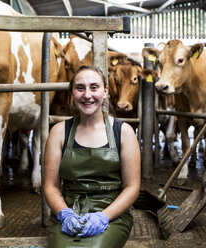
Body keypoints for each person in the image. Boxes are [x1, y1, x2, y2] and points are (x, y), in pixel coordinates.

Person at [44, 65, 141, 248]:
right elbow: (50, 186)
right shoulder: (58, 132)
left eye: (94, 88)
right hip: (68, 213)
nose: (87, 95)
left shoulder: (123, 132)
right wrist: (65, 214)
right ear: (72, 93)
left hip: (112, 215)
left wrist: (103, 217)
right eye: (80, 88)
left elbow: (132, 187)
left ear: (105, 92)